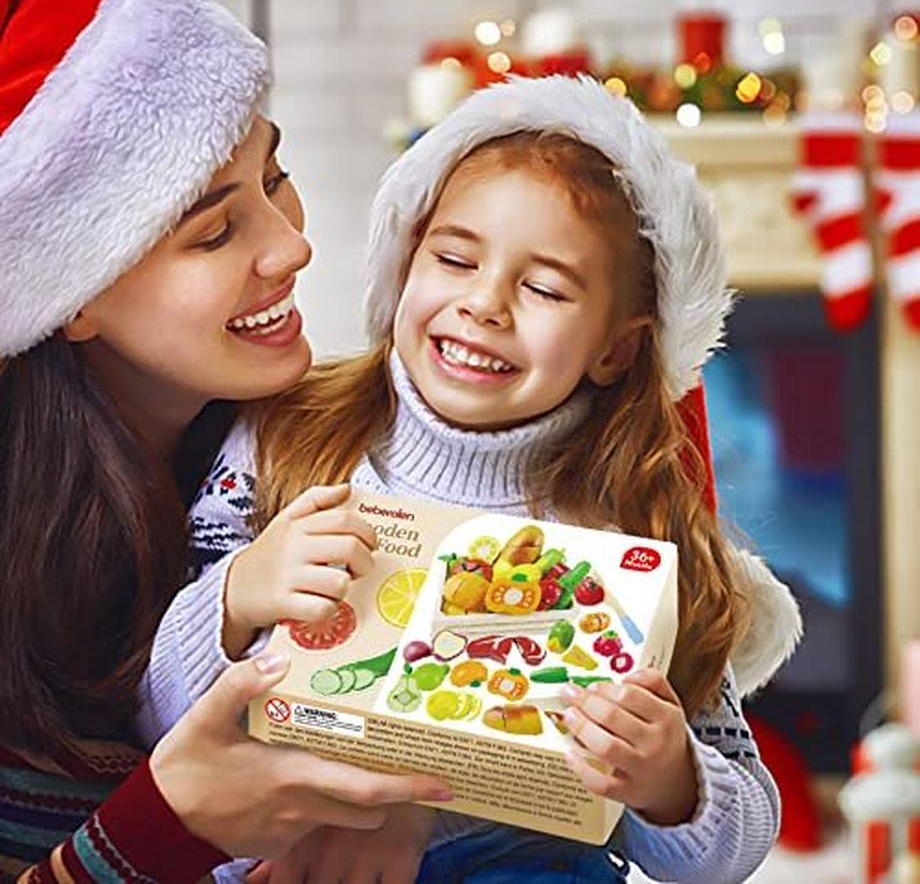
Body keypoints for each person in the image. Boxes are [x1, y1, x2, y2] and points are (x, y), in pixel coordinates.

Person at [151, 75, 803, 883]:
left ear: (616, 349)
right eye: (455, 259)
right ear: (403, 268)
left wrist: (671, 782)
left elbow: (729, 849)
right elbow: (154, 720)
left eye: (544, 288)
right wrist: (236, 594)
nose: (484, 305)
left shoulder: (640, 534)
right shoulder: (283, 441)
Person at [0, 0, 449, 880]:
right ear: (70, 296)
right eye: (214, 233)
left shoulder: (335, 457)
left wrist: (396, 803)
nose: (293, 245)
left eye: (275, 176)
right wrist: (170, 822)